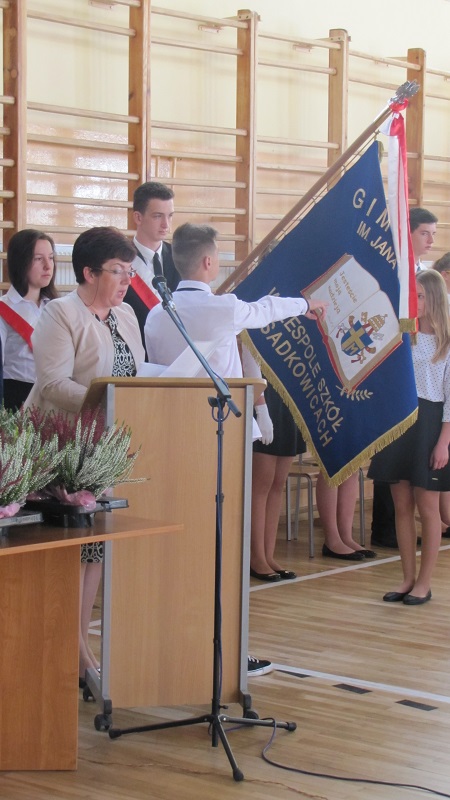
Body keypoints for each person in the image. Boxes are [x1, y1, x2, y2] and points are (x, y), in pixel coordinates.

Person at [144, 222, 328, 673]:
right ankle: (223, 650)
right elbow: (265, 309)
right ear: (209, 262)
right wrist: (306, 304)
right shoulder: (221, 308)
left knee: (184, 544)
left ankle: (178, 645)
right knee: (221, 546)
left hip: (171, 438)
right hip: (217, 438)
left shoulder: (155, 314)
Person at [25, 227, 145, 684]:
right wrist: (108, 402)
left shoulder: (127, 315)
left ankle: (78, 646)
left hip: (104, 452)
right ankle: (72, 650)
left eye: (130, 271)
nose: (127, 281)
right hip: (61, 446)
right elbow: (53, 383)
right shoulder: (60, 313)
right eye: (118, 271)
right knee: (71, 549)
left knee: (93, 548)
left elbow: (136, 373)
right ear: (90, 272)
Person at [369, 269, 450, 604]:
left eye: (419, 295)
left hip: (430, 422)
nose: (414, 301)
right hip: (399, 420)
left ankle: (424, 583)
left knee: (427, 507)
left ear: (434, 298)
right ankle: (407, 577)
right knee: (401, 504)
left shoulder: (447, 342)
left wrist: (443, 442)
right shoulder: (404, 336)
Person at [371, 207, 438, 549]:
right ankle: (384, 528)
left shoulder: (426, 276)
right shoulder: (394, 274)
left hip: (425, 386)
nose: (431, 240)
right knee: (392, 465)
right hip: (396, 378)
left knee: (416, 472)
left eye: (434, 234)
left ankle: (407, 529)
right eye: (425, 232)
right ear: (408, 234)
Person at [0, 229, 58, 410]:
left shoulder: (57, 307)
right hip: (17, 397)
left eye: (51, 258)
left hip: (54, 395)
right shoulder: (3, 309)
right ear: (21, 262)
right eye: (38, 259)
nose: (48, 266)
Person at [125, 181, 180, 345]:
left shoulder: (181, 257)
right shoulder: (121, 260)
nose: (166, 224)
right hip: (137, 348)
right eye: (157, 216)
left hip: (175, 349)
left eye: (170, 216)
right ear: (138, 217)